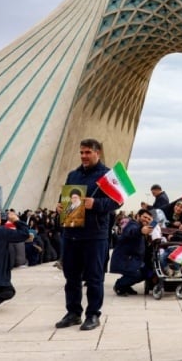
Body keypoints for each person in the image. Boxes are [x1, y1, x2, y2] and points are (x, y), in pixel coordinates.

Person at [54, 138, 119, 331]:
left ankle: (93, 315)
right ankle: (73, 313)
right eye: (81, 152)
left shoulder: (107, 176)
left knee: (94, 277)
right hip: (71, 232)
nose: (84, 156)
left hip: (94, 234)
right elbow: (64, 198)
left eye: (88, 152)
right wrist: (60, 206)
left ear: (97, 153)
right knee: (71, 276)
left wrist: (96, 204)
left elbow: (117, 201)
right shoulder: (73, 175)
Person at [110, 208, 154, 295]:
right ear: (138, 216)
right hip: (125, 259)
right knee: (139, 274)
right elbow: (131, 232)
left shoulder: (143, 230)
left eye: (149, 219)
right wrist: (141, 231)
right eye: (145, 217)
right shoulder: (132, 225)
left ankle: (126, 285)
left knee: (148, 272)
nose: (146, 220)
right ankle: (119, 285)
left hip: (133, 260)